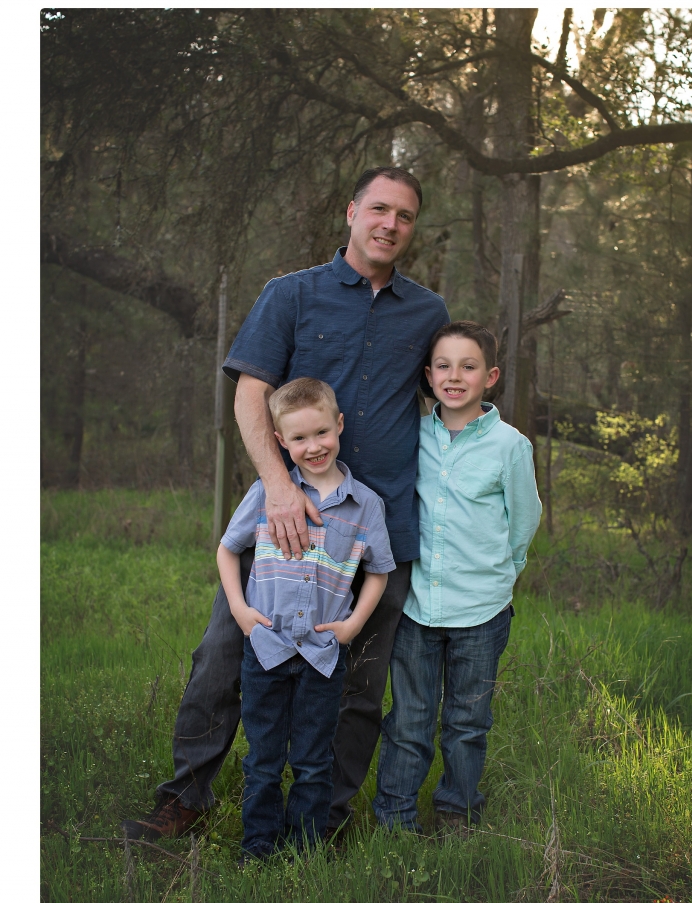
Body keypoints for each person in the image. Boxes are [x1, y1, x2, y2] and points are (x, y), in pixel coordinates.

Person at [122, 166, 451, 842]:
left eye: (406, 216)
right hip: (286, 523)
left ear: (413, 230)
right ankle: (187, 796)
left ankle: (321, 818)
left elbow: (453, 396)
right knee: (225, 653)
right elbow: (250, 394)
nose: (390, 224)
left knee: (356, 677)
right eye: (379, 209)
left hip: (372, 527)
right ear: (352, 211)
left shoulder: (428, 314)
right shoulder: (290, 295)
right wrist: (277, 487)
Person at [373, 321, 542, 836]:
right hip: (417, 606)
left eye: (468, 367)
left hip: (482, 610)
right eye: (443, 366)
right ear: (428, 375)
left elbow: (525, 519)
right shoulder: (413, 435)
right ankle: (395, 819)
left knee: (467, 724)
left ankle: (456, 812)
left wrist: (503, 575)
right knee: (408, 722)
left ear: (489, 377)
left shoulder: (510, 447)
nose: (454, 376)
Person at [217, 378, 394, 859]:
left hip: (322, 655)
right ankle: (258, 847)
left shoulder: (366, 506)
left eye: (321, 433)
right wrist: (240, 610)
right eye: (298, 439)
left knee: (314, 761)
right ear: (279, 441)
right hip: (268, 650)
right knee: (264, 760)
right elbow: (228, 549)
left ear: (339, 425)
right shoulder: (266, 494)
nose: (312, 447)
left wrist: (353, 626)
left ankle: (306, 851)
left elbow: (377, 572)